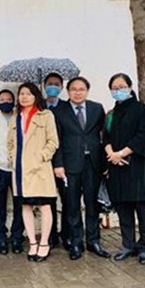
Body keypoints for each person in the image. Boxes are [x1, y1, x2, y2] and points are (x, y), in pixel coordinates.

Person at [52, 76, 110, 260]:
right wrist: (58, 164)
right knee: (72, 204)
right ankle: (75, 243)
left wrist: (105, 163)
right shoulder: (58, 111)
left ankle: (94, 241)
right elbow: (56, 140)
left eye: (81, 89)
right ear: (68, 91)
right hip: (69, 165)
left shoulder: (96, 108)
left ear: (87, 91)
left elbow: (103, 135)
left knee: (93, 204)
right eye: (74, 89)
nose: (78, 92)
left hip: (93, 163)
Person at [102, 73, 145, 265]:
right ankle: (128, 244)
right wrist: (111, 154)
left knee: (143, 209)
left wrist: (122, 153)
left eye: (122, 86)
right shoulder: (111, 114)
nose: (118, 91)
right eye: (114, 88)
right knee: (123, 209)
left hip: (137, 166)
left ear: (130, 87)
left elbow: (143, 136)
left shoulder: (142, 110)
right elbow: (105, 137)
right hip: (116, 167)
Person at [7, 83, 59, 262]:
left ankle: (44, 242)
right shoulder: (16, 117)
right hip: (21, 169)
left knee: (45, 206)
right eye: (21, 94)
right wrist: (14, 157)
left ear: (36, 96)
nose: (24, 97)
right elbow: (11, 142)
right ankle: (32, 242)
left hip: (40, 169)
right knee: (25, 206)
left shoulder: (46, 116)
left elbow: (53, 142)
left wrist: (41, 157)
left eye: (28, 94)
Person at [0, 89, 25, 255]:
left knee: (20, 205)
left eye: (9, 99)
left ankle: (17, 237)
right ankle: (0, 237)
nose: (5, 101)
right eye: (2, 99)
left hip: (18, 168)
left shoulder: (21, 117)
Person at [43, 73, 69, 248]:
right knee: (48, 201)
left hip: (65, 162)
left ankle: (67, 235)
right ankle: (51, 236)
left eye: (56, 84)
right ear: (44, 86)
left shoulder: (67, 108)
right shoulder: (39, 108)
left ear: (61, 87)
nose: (53, 86)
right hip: (44, 162)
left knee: (68, 200)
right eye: (50, 84)